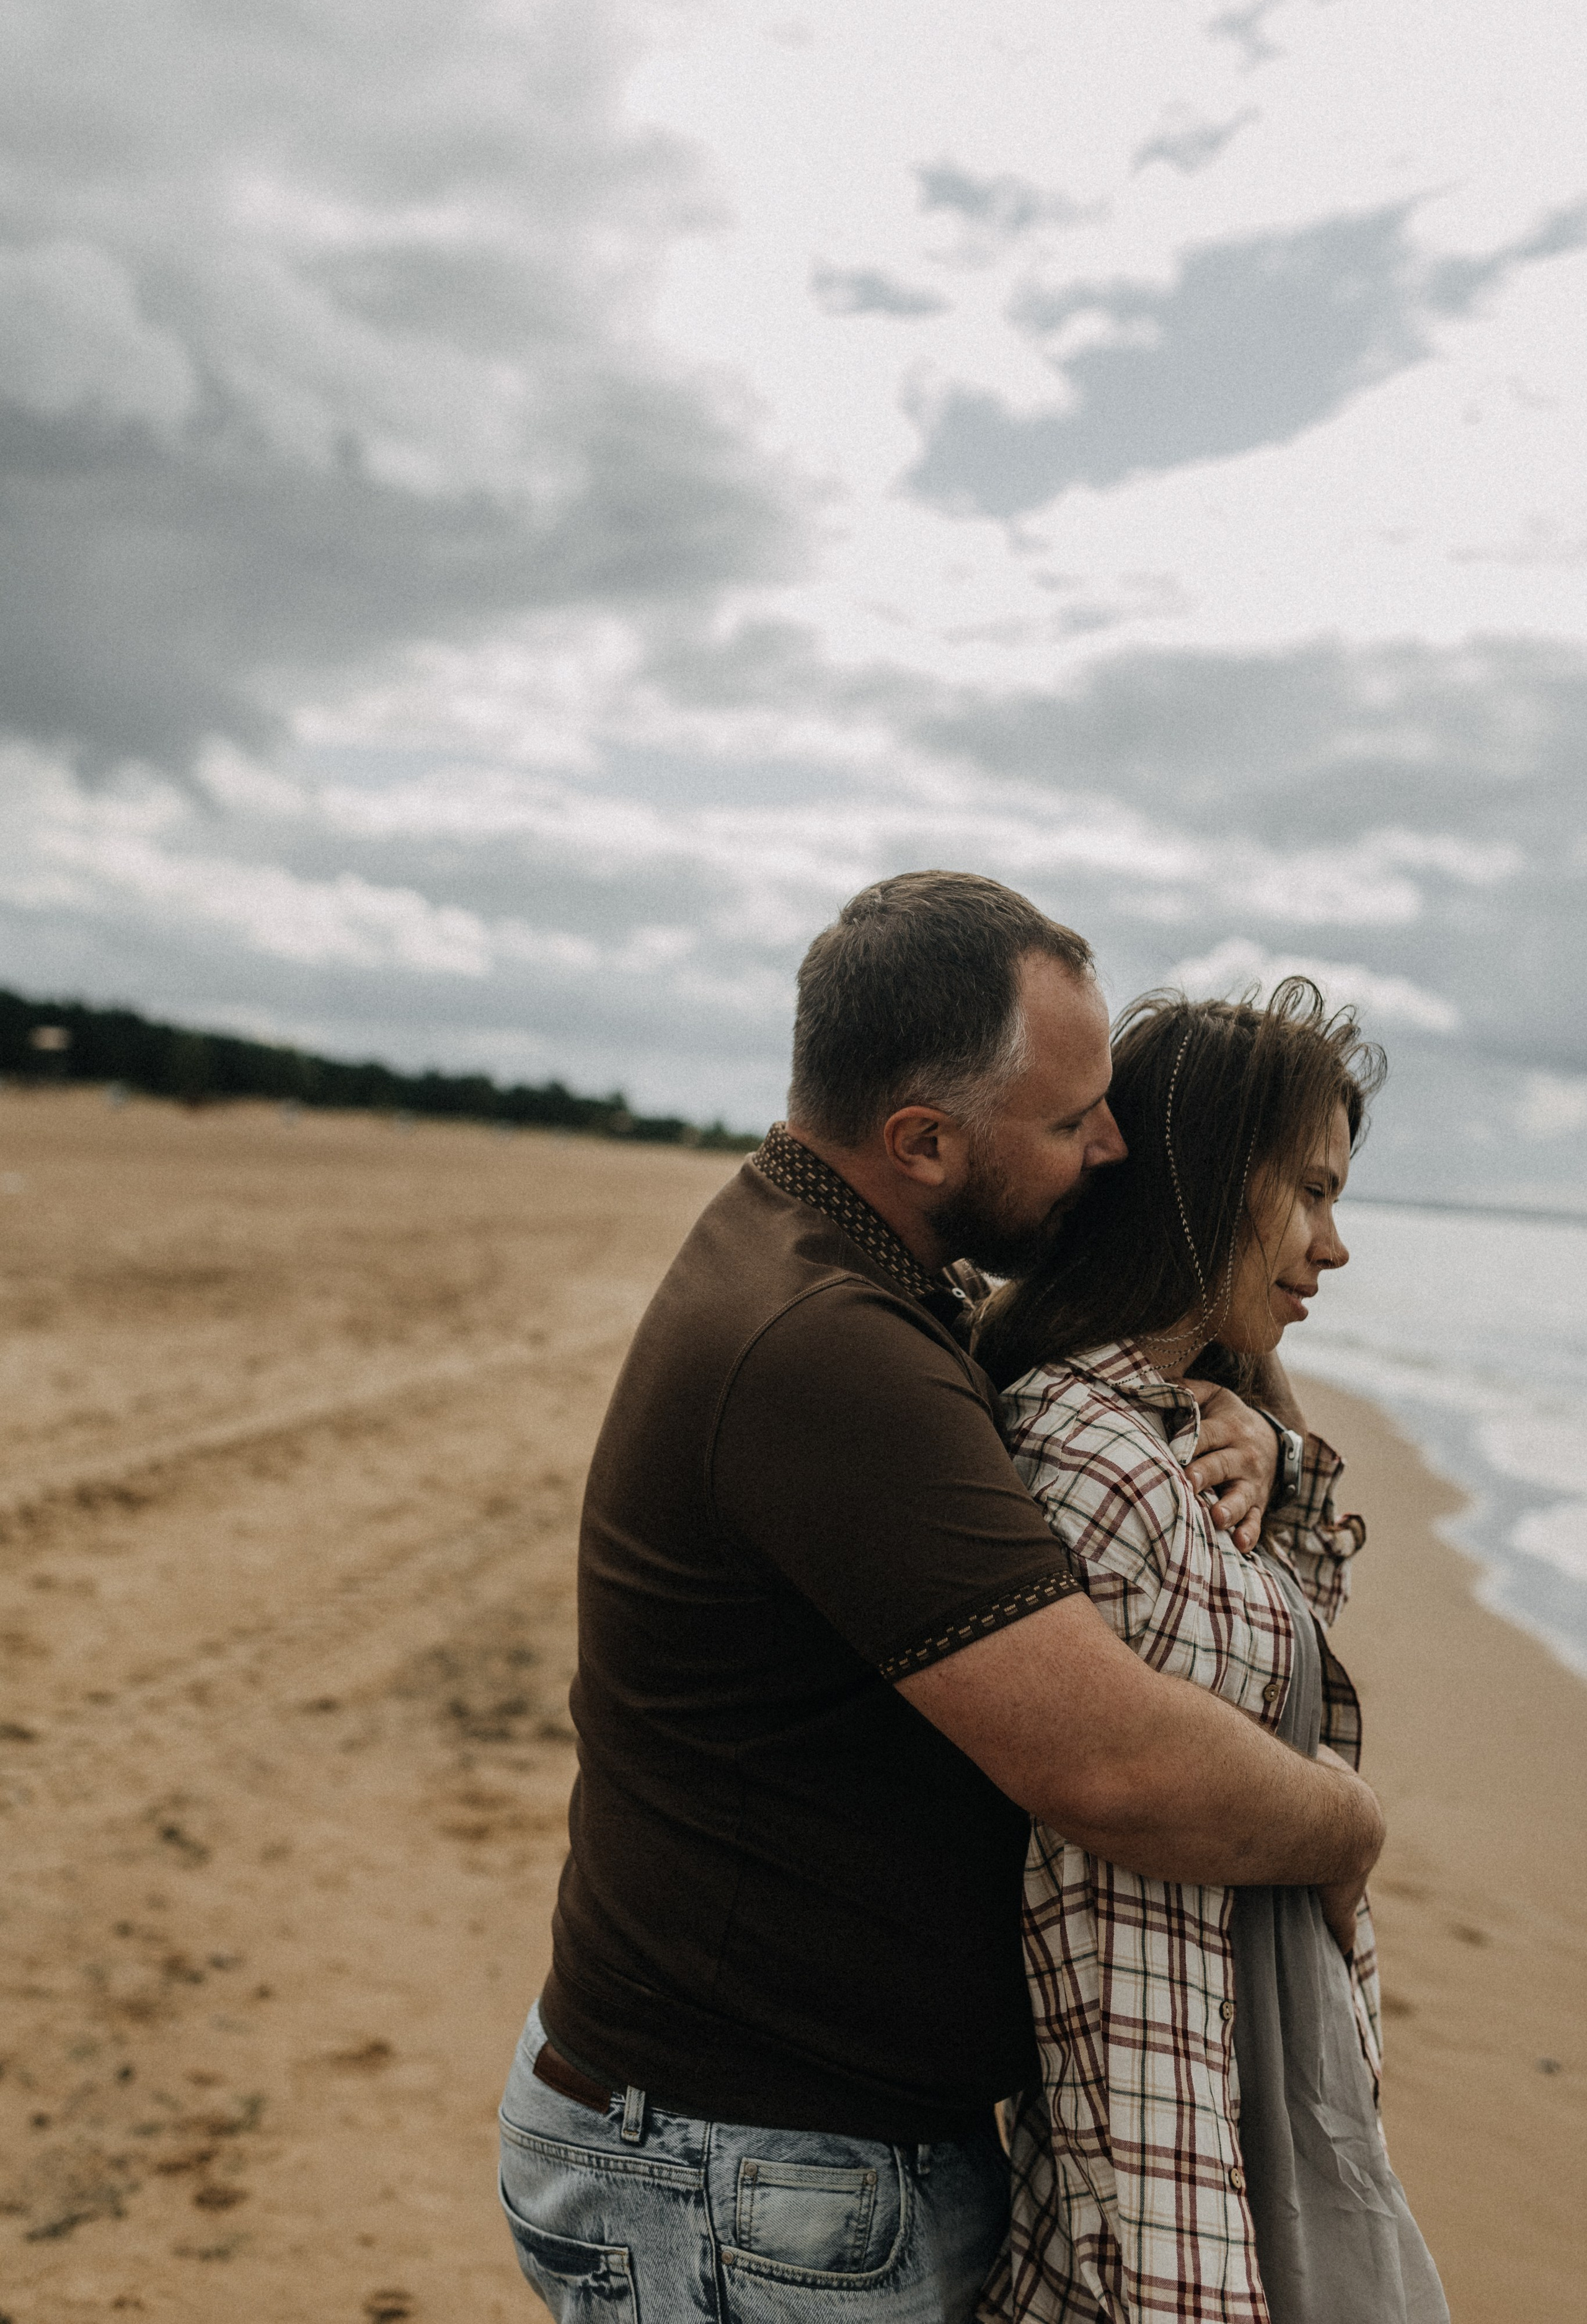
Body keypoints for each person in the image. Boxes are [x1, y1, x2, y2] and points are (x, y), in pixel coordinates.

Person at [497, 874, 1386, 2324]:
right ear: (919, 1140)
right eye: (1066, 1122)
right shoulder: (828, 1348)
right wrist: (1346, 1826)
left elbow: (1103, 1353)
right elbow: (1110, 1764)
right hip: (747, 2167)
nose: (1112, 1150)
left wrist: (1264, 1427)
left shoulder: (859, 1270)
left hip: (756, 2146)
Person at [973, 982, 1447, 2324]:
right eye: (1307, 1191)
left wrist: (1265, 1426)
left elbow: (1275, 1643)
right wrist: (1348, 1830)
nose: (1332, 1246)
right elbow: (1128, 1853)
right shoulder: (1090, 1457)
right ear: (1198, 1183)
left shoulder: (1165, 1428)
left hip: (1250, 2092)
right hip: (1165, 2153)